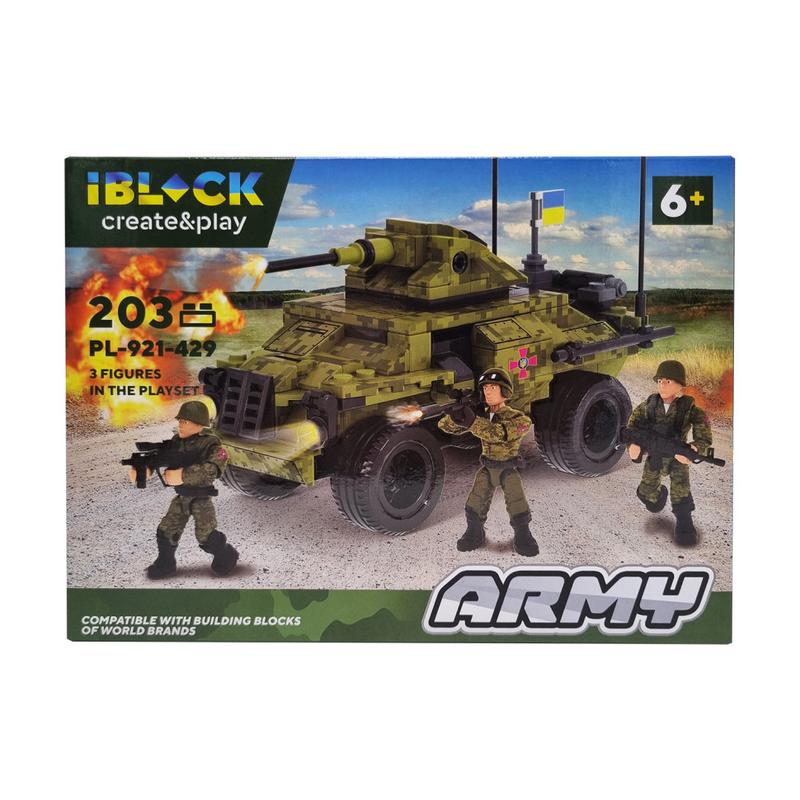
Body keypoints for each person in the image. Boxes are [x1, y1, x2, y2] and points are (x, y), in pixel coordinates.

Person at [129, 400, 239, 579]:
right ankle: (166, 563)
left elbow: (212, 469)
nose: (180, 424)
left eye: (185, 421)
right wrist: (144, 469)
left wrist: (182, 475)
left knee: (206, 536)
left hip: (201, 498)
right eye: (179, 420)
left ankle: (227, 555)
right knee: (166, 530)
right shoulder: (176, 443)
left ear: (199, 423)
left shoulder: (213, 445)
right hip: (182, 497)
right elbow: (162, 458)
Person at [438, 367, 538, 556]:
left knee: (516, 501)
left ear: (505, 391)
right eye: (485, 388)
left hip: (508, 468)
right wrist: (456, 415)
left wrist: (472, 421)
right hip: (487, 467)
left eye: (493, 387)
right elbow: (445, 427)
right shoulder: (481, 416)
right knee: (475, 501)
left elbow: (498, 433)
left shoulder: (519, 418)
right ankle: (474, 533)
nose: (488, 392)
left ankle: (524, 536)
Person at [627, 360, 712, 545]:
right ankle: (656, 498)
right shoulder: (648, 405)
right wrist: (633, 446)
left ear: (680, 385)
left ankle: (685, 523)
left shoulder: (690, 409)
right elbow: (632, 428)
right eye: (660, 381)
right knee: (649, 497)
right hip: (655, 455)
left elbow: (704, 436)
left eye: (668, 381)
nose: (662, 385)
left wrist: (695, 449)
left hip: (677, 456)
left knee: (681, 488)